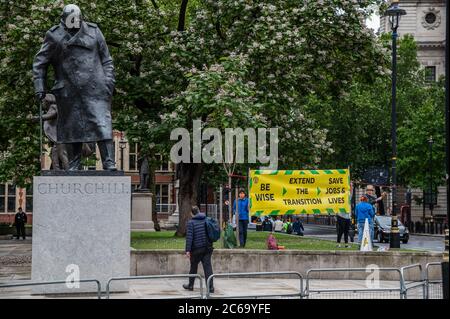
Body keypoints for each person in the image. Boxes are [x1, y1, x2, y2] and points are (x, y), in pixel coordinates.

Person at [33, 4, 116, 171]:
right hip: (68, 90)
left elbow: (107, 60)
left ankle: (109, 163)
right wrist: (39, 86)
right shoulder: (54, 35)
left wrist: (108, 82)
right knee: (72, 128)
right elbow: (40, 63)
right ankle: (74, 165)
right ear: (63, 20)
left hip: (96, 88)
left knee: (102, 124)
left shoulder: (94, 31)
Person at [183, 206, 214, 293]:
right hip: (208, 248)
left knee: (193, 267)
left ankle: (190, 285)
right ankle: (210, 287)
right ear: (199, 211)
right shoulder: (206, 219)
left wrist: (187, 250)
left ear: (192, 213)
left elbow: (189, 237)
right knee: (208, 268)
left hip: (196, 249)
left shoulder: (191, 222)